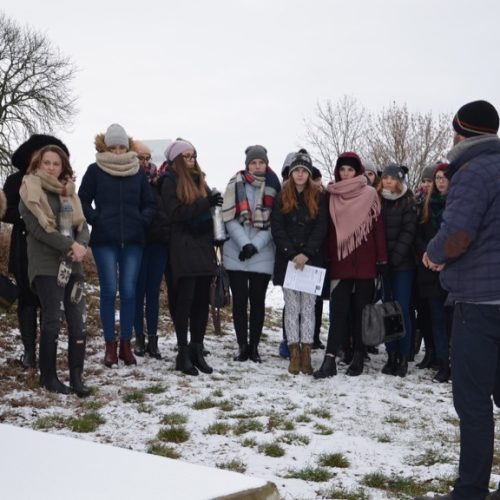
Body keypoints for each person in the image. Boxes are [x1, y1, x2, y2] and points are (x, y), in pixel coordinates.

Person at [415, 100, 500, 500]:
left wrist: (434, 254)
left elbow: (459, 231)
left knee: (473, 400)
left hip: (480, 303)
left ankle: (470, 491)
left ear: (460, 133)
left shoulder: (472, 171)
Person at [78, 124, 155, 368]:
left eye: (122, 146)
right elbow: (82, 200)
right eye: (114, 146)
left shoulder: (137, 172)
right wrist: (96, 220)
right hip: (105, 241)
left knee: (130, 292)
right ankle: (110, 346)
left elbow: (149, 204)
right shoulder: (95, 170)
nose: (119, 151)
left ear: (128, 147)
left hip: (133, 241)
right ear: (105, 146)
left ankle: (126, 345)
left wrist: (141, 221)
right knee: (109, 291)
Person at [18, 145, 90, 396]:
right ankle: (48, 377)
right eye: (46, 162)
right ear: (38, 164)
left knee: (78, 321)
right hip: (46, 265)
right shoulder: (29, 190)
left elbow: (83, 225)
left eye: (56, 163)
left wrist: (80, 245)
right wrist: (70, 245)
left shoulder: (69, 192)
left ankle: (77, 377)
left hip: (74, 263)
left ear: (63, 167)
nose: (51, 167)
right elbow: (38, 230)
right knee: (52, 319)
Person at [314, 152, 387, 379]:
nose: (346, 173)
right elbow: (326, 229)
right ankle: (330, 359)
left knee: (361, 311)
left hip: (365, 260)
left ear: (358, 171)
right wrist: (326, 255)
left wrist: (382, 259)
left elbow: (377, 228)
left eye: (350, 170)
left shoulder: (370, 194)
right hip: (340, 259)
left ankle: (358, 354)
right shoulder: (331, 195)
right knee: (338, 311)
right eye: (342, 169)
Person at [3, 134, 70, 369]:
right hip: (23, 247)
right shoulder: (15, 181)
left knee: (48, 300)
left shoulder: (60, 183)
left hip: (52, 249)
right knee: (27, 300)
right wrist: (27, 215)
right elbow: (4, 211)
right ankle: (30, 350)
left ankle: (46, 350)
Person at [160, 139, 218, 376]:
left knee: (202, 302)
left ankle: (197, 347)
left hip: (203, 247)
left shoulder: (200, 180)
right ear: (176, 159)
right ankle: (182, 351)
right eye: (185, 155)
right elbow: (175, 213)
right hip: (182, 248)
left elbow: (206, 212)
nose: (191, 158)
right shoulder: (169, 181)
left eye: (193, 154)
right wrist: (206, 204)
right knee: (185, 301)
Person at [222, 145, 281, 363]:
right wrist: (244, 244)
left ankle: (255, 346)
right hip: (236, 252)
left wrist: (254, 246)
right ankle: (242, 346)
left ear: (266, 164)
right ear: (247, 164)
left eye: (261, 162)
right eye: (253, 163)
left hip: (262, 253)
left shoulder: (275, 187)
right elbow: (228, 218)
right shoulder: (234, 183)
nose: (257, 166)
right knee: (239, 302)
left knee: (257, 302)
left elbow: (275, 223)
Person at [271, 149, 327, 375]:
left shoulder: (319, 197)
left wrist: (308, 253)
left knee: (309, 307)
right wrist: (292, 253)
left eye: (304, 171)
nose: (301, 175)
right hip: (289, 261)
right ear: (291, 174)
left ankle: (307, 351)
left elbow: (321, 227)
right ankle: (294, 351)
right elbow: (277, 228)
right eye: (297, 171)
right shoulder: (282, 197)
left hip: (311, 261)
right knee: (292, 307)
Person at [415, 163, 452, 383]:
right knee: (436, 318)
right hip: (430, 269)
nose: (440, 181)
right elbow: (419, 234)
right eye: (437, 177)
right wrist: (427, 255)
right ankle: (442, 363)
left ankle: (455, 362)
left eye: (444, 177)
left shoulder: (458, 204)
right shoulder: (427, 206)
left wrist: (446, 260)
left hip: (452, 270)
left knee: (453, 322)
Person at [379, 164, 417, 377]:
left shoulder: (408, 201)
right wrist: (381, 259)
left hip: (403, 266)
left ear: (399, 181)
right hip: (384, 264)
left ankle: (403, 355)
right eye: (385, 178)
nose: (388, 182)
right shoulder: (379, 201)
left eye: (392, 178)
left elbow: (408, 233)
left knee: (401, 310)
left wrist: (393, 259)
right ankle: (391, 353)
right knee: (387, 310)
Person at [132, 141, 169, 359]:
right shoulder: (128, 181)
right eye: (140, 157)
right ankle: (138, 337)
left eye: (147, 158)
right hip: (137, 243)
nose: (145, 162)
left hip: (158, 242)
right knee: (137, 292)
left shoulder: (160, 181)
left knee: (153, 292)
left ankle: (153, 339)